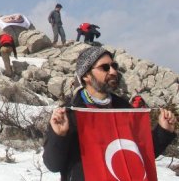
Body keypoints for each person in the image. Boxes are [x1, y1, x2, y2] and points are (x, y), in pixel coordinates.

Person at [43, 47, 176, 181]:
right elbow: (53, 165)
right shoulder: (70, 113)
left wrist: (163, 131)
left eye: (114, 66)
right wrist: (59, 136)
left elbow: (140, 155)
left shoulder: (124, 109)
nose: (113, 71)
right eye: (105, 67)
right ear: (86, 76)